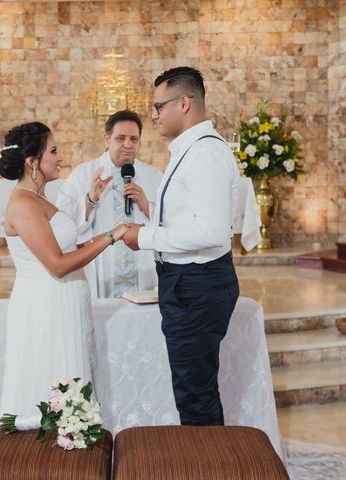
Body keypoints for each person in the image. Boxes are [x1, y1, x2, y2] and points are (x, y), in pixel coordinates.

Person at [122, 67, 241, 426]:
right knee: (192, 388)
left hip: (198, 283)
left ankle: (205, 465)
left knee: (196, 395)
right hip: (187, 280)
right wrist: (148, 223)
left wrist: (143, 238)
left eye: (159, 106)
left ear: (184, 103)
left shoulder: (204, 154)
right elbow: (186, 218)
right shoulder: (189, 150)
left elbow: (211, 231)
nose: (154, 115)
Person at [0, 122, 129, 419]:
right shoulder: (22, 203)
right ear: (32, 162)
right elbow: (57, 264)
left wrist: (104, 224)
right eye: (53, 151)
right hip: (46, 304)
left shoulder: (39, 198)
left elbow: (69, 245)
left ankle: (72, 443)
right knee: (50, 383)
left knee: (70, 385)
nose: (60, 157)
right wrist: (111, 236)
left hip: (63, 302)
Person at [56, 110, 163, 298]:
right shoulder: (84, 173)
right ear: (107, 139)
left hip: (143, 271)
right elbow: (62, 223)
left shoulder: (153, 176)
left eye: (134, 139)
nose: (128, 145)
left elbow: (172, 220)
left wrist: (147, 206)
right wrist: (91, 199)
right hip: (101, 272)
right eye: (120, 138)